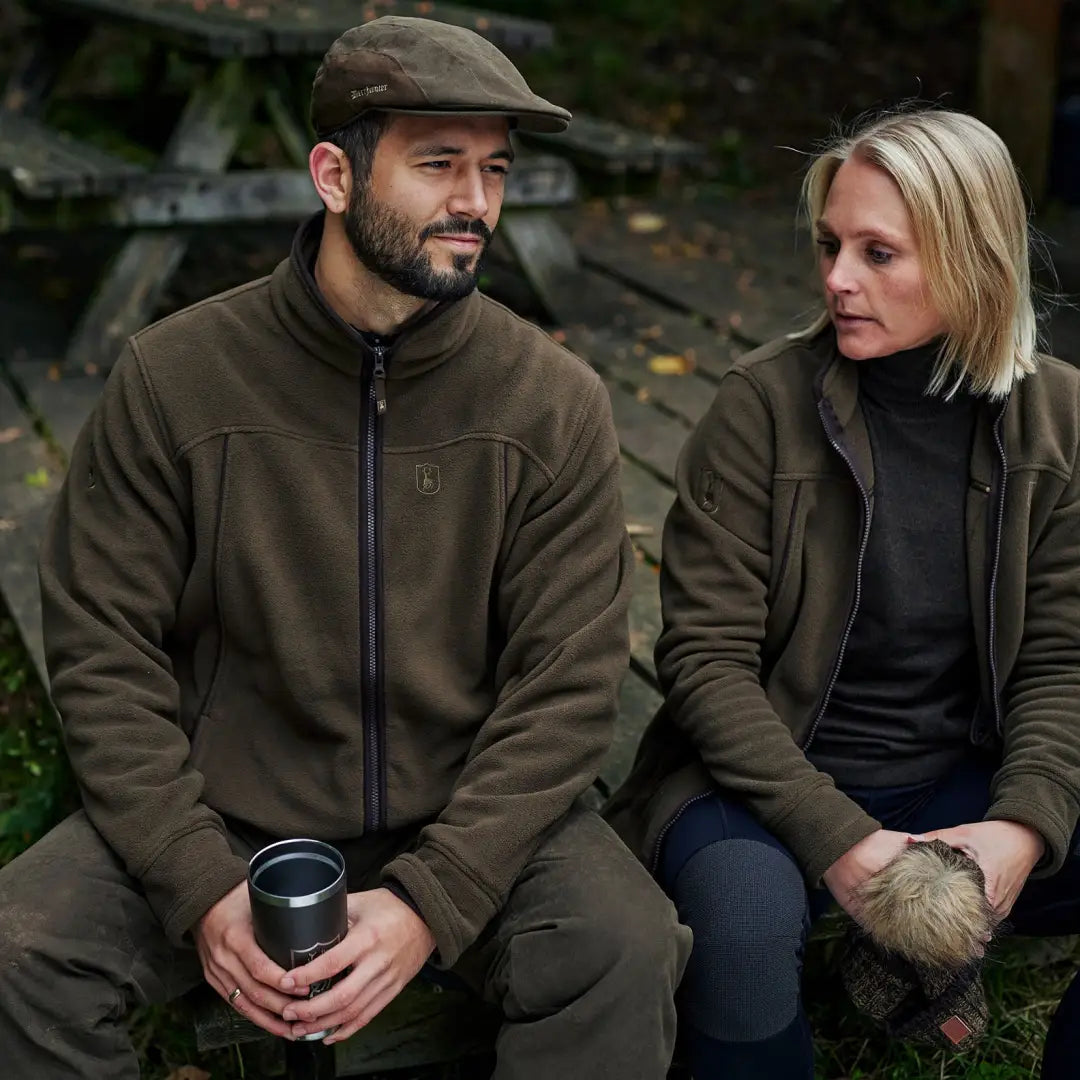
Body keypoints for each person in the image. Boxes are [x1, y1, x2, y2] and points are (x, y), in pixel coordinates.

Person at [0, 17, 689, 1078]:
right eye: (439, 165)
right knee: (21, 951)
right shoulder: (175, 377)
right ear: (333, 173)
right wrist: (197, 882)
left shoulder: (551, 403)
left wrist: (433, 898)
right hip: (225, 807)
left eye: (495, 169)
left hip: (469, 810)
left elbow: (568, 684)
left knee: (622, 946)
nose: (477, 203)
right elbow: (101, 648)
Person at [606, 107, 1080, 1078]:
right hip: (768, 780)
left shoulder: (1060, 419)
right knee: (739, 936)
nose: (835, 280)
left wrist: (1023, 824)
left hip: (964, 770)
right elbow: (703, 664)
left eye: (878, 253)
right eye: (831, 245)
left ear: (973, 257)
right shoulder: (761, 411)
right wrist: (844, 843)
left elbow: (1061, 657)